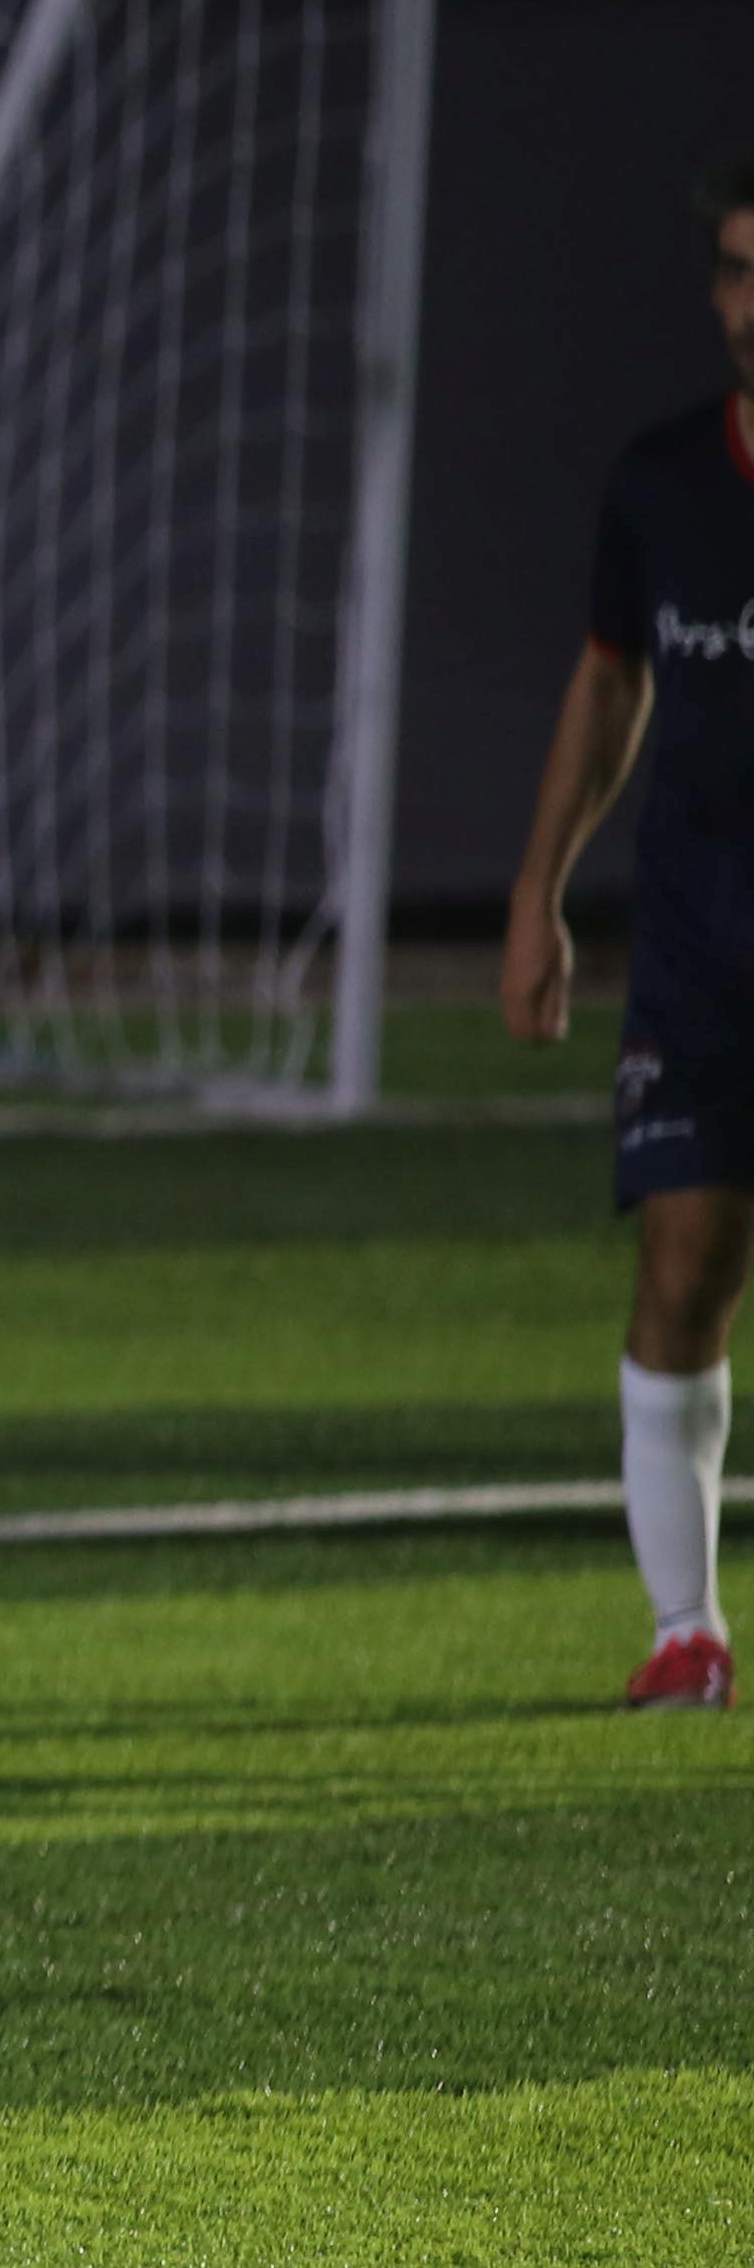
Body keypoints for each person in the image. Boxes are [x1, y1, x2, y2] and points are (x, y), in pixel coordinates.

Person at [506, 149, 754, 1713]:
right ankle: (688, 1632)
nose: (751, 304)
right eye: (736, 271)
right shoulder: (662, 481)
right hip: (702, 945)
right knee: (683, 1264)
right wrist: (536, 893)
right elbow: (611, 685)